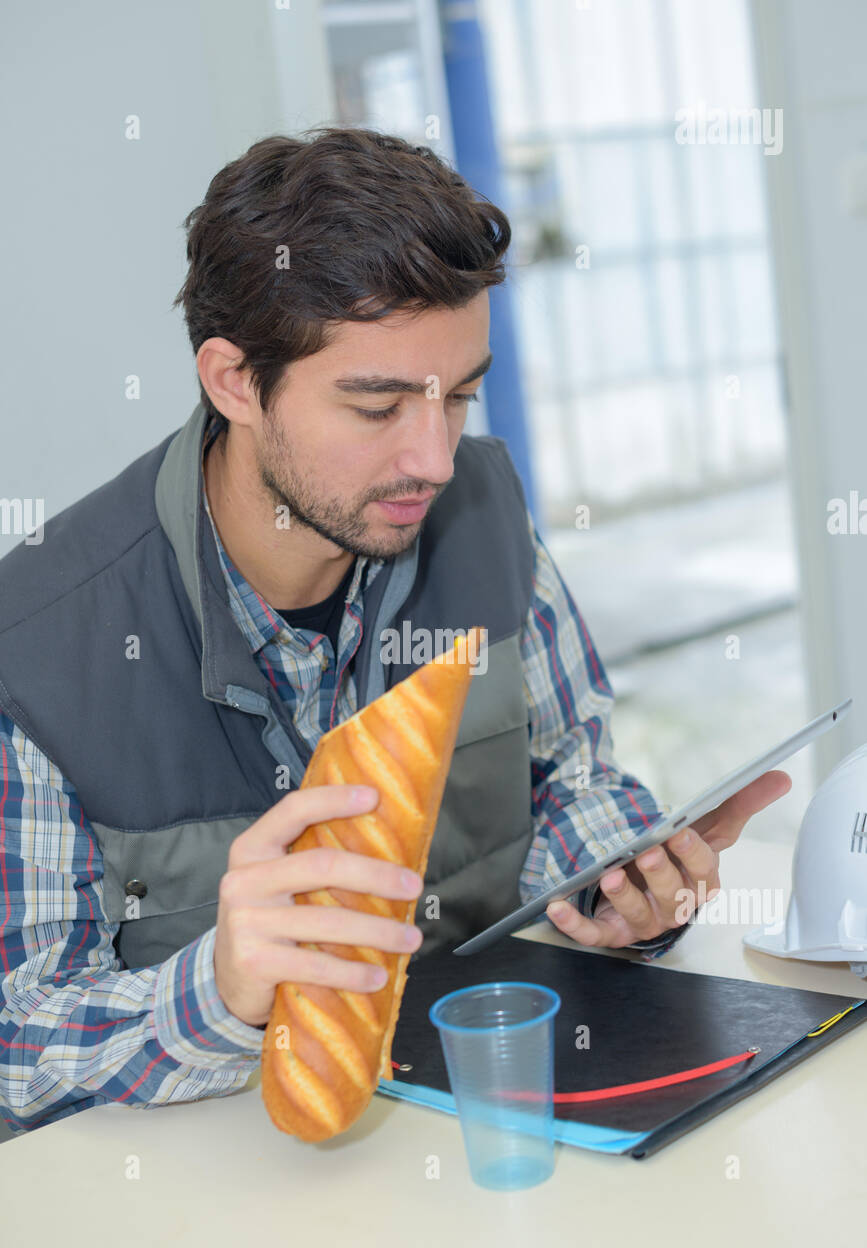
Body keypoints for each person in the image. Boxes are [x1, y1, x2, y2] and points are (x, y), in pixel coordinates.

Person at [0, 128, 789, 1136]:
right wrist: (216, 986)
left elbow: (569, 788)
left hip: (467, 1143)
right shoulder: (33, 653)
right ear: (234, 381)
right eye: (376, 405)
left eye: (457, 395)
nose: (435, 457)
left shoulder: (484, 512)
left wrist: (617, 887)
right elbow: (20, 1036)